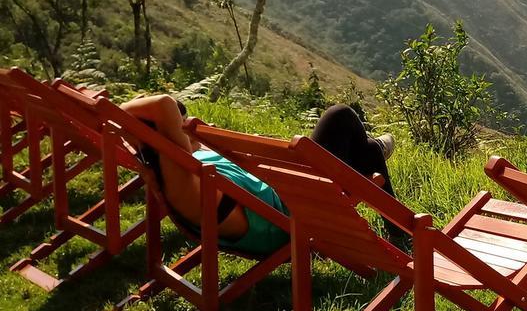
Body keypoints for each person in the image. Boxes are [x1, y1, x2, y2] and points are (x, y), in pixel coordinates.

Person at [120, 96, 396, 255]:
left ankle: (371, 152)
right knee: (340, 115)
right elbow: (162, 105)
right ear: (170, 133)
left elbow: (130, 117)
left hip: (282, 196)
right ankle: (397, 221)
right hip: (295, 208)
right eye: (181, 125)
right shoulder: (183, 179)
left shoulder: (185, 169)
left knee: (366, 148)